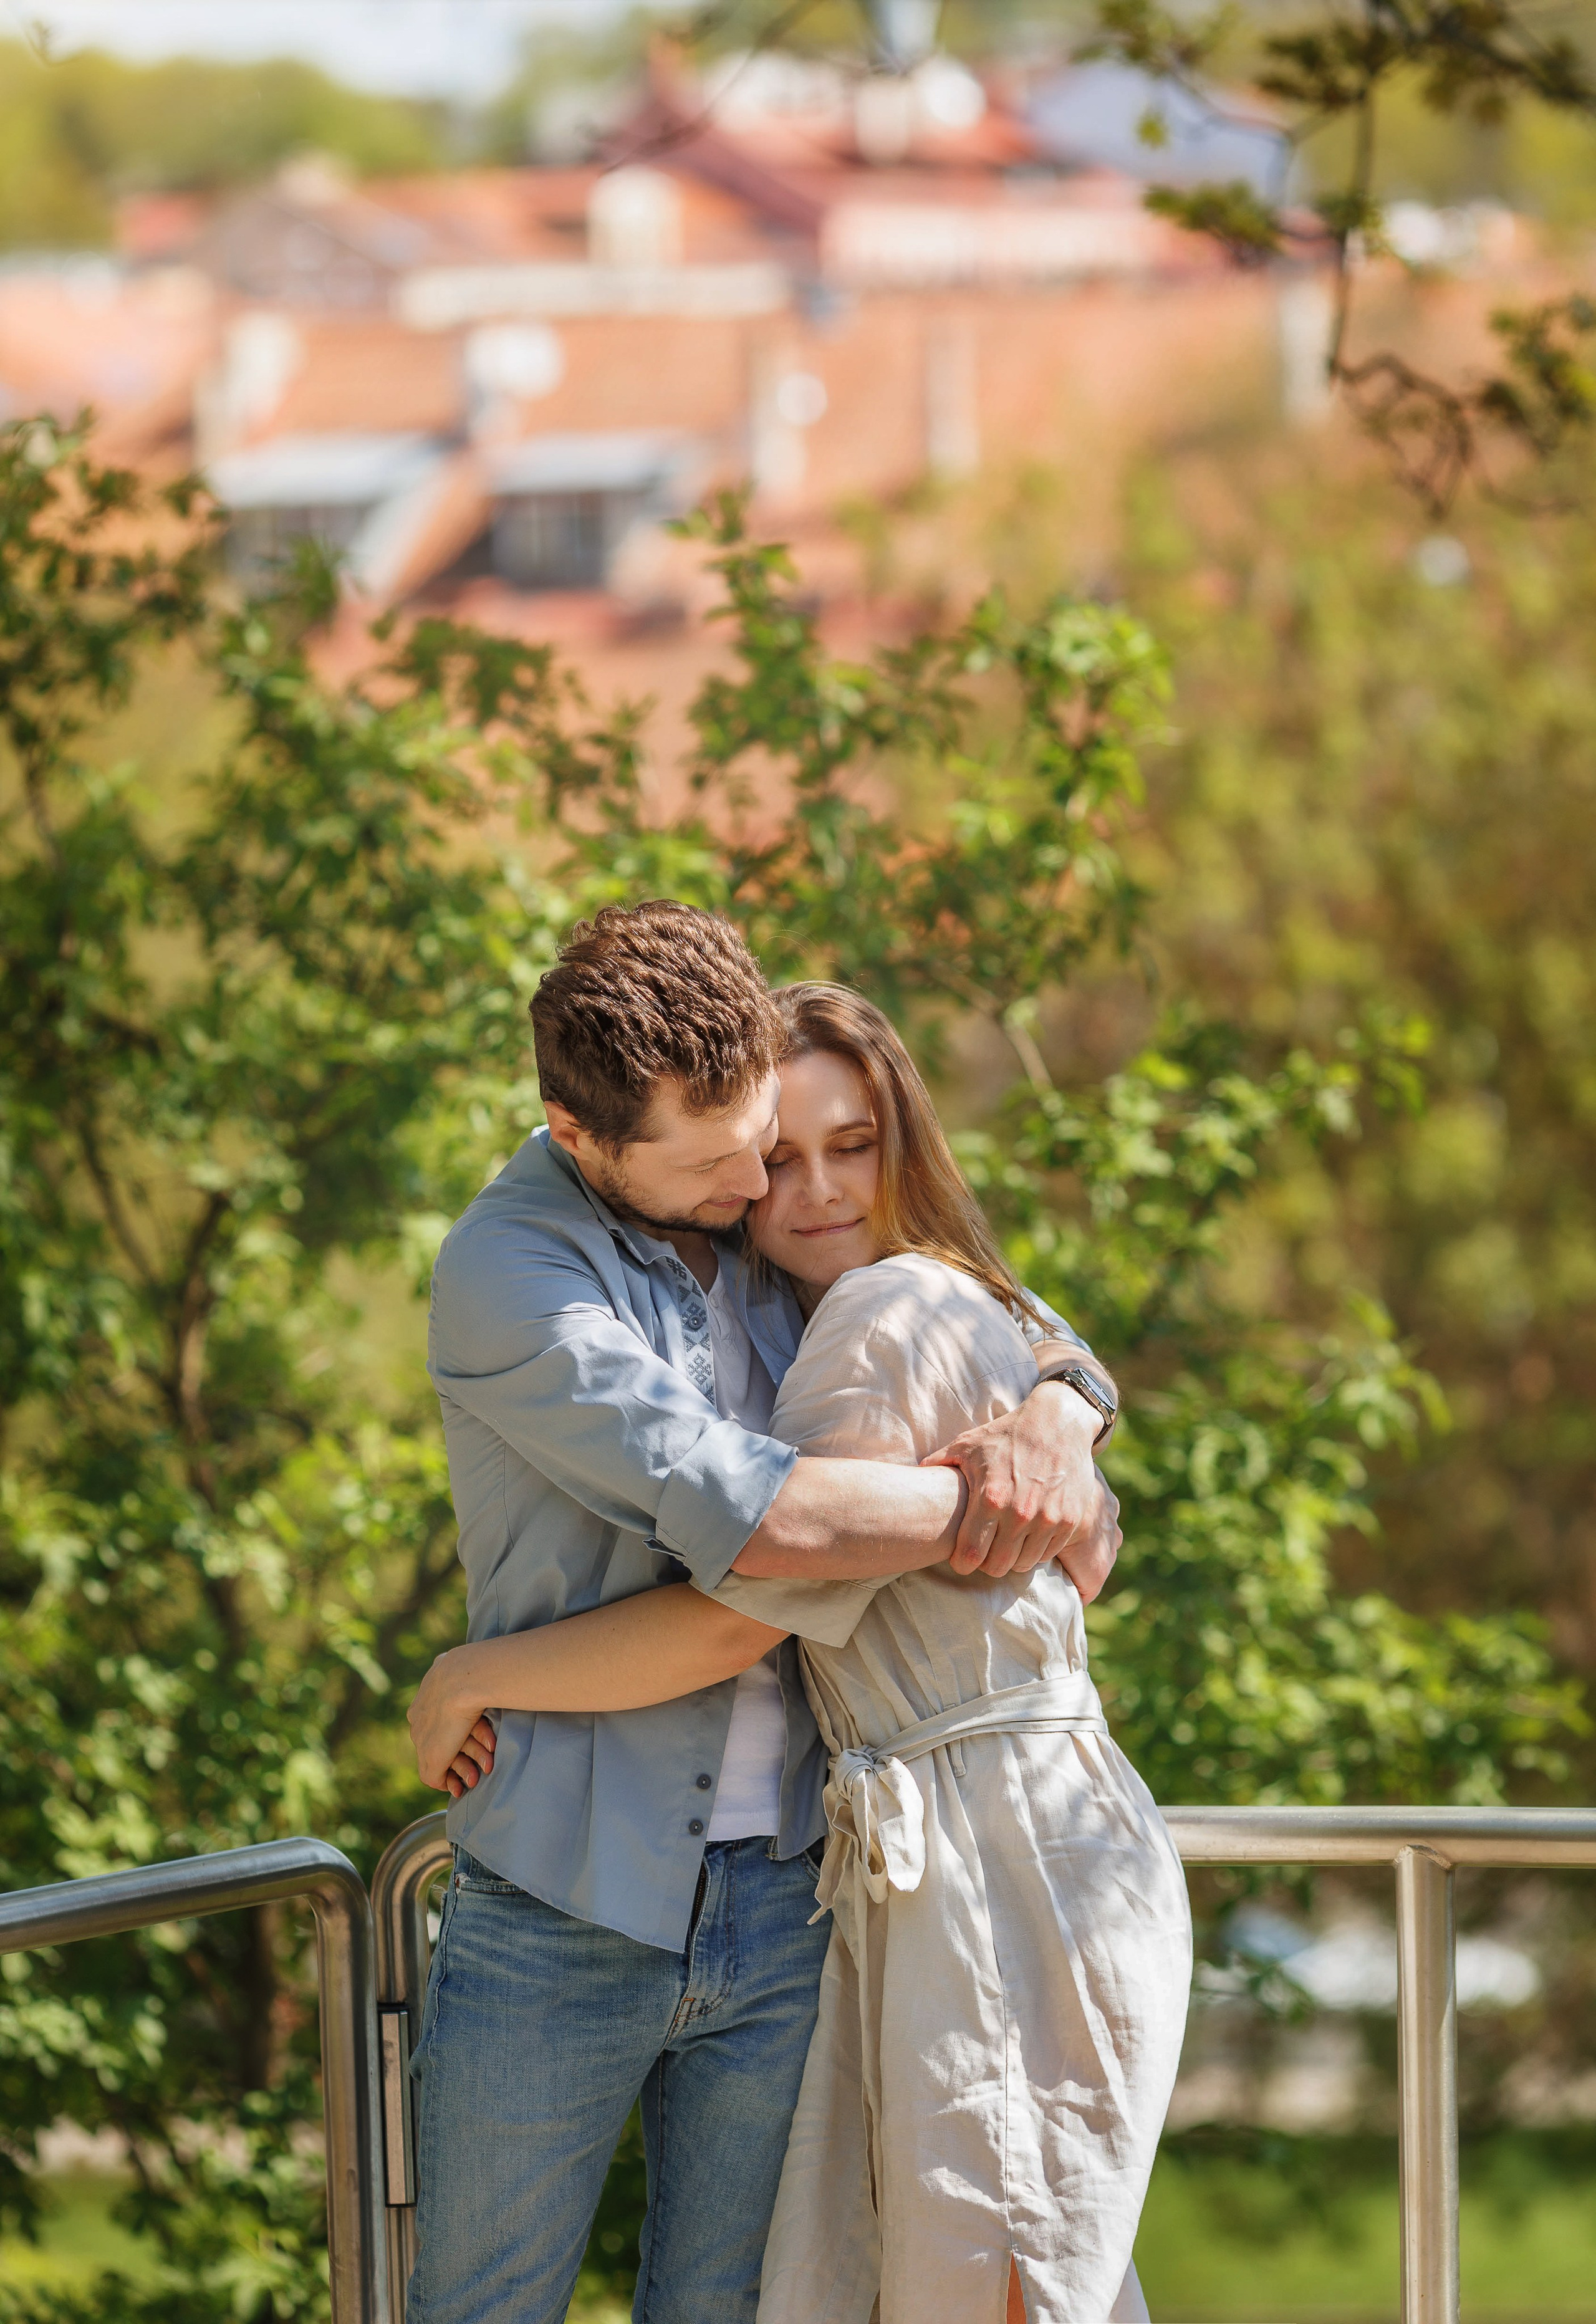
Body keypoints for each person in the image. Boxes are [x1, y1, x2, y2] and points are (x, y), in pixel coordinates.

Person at [413, 979, 1190, 2324]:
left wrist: (1063, 1417)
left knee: (965, 2266)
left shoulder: (853, 1300)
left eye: (835, 1143)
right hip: (588, 1889)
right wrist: (1017, 1491)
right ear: (583, 1135)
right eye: (760, 1158)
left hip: (850, 1883)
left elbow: (1009, 1332)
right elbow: (771, 1531)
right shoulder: (534, 1271)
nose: (775, 1180)